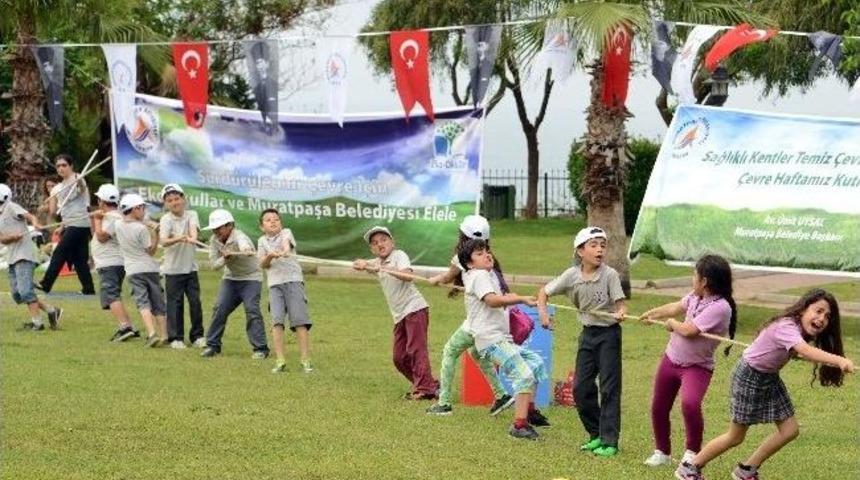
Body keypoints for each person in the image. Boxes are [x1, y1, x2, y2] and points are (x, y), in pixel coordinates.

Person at [675, 289, 855, 480]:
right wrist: (839, 360)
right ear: (803, 309)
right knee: (735, 436)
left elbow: (797, 349)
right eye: (818, 311)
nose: (822, 318)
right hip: (749, 376)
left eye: (827, 316)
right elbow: (805, 350)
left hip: (769, 377)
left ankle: (746, 470)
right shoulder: (786, 326)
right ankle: (690, 467)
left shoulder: (797, 330)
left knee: (790, 430)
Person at [537, 226, 627, 457]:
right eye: (593, 245)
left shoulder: (610, 275)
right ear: (580, 251)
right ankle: (596, 434)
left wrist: (620, 312)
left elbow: (621, 305)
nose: (599, 250)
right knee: (580, 388)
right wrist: (544, 315)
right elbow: (543, 293)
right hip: (587, 335)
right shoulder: (571, 276)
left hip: (609, 335)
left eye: (602, 246)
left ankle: (610, 441)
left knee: (609, 389)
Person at [639, 255, 737, 467]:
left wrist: (672, 324)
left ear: (705, 281)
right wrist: (652, 314)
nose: (692, 279)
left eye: (694, 275)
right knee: (659, 406)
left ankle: (692, 452)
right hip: (671, 359)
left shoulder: (721, 307)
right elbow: (675, 307)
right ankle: (662, 452)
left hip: (697, 367)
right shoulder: (695, 296)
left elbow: (689, 330)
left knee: (690, 404)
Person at [425, 214, 517, 418]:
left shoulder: (464, 257)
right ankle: (501, 395)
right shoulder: (488, 258)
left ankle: (444, 403)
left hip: (478, 324)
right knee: (476, 353)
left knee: (450, 351)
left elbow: (447, 277)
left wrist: (435, 280)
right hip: (493, 320)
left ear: (462, 235)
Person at [458, 238, 546, 440]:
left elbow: (500, 299)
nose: (487, 255)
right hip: (491, 340)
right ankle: (519, 426)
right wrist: (520, 298)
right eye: (479, 253)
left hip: (501, 339)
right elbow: (491, 300)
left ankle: (529, 411)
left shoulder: (488, 275)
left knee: (536, 363)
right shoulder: (478, 275)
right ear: (470, 263)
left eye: (487, 250)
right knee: (524, 374)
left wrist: (517, 299)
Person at [352, 226, 439, 400]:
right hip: (399, 316)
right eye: (375, 243)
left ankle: (425, 389)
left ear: (392, 242)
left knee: (416, 350)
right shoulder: (377, 263)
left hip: (415, 309)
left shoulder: (399, 256)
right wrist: (361, 264)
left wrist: (383, 269)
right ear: (372, 249)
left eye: (383, 240)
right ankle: (428, 384)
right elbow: (363, 264)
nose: (380, 244)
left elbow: (408, 275)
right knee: (399, 358)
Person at [200, 209, 269, 359]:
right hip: (230, 278)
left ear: (230, 225)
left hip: (251, 277)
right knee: (219, 308)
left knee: (252, 309)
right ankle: (212, 345)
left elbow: (244, 245)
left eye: (219, 228)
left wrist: (246, 249)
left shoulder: (239, 236)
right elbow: (214, 265)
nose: (215, 231)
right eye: (214, 228)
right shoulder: (214, 240)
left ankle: (261, 349)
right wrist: (225, 259)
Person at [257, 209, 314, 374]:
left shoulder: (286, 232)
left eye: (276, 219)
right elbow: (263, 264)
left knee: (300, 321)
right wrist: (270, 256)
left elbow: (286, 248)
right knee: (277, 321)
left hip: (294, 281)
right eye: (268, 220)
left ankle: (305, 360)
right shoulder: (261, 241)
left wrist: (282, 252)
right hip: (275, 285)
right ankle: (280, 360)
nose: (273, 222)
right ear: (262, 226)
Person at [0, 184, 62, 331]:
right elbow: (2, 239)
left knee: (25, 291)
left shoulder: (11, 207)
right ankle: (51, 310)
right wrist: (11, 237)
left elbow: (30, 216)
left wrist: (35, 223)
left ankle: (37, 323)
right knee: (17, 294)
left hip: (24, 254)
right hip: (12, 257)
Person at [114, 193, 167, 347]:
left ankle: (152, 333)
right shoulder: (141, 229)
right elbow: (151, 251)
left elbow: (121, 217)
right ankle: (164, 335)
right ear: (135, 209)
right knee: (157, 302)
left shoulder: (118, 225)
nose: (144, 211)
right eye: (142, 208)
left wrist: (144, 222)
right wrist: (156, 233)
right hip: (150, 269)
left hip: (133, 271)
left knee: (143, 303)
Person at [38, 154, 95, 295]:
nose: (60, 168)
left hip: (80, 222)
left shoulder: (79, 178)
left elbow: (81, 190)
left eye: (64, 165)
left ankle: (46, 283)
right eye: (58, 166)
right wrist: (46, 205)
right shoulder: (57, 188)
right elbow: (54, 212)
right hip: (69, 224)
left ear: (71, 166)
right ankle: (88, 288)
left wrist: (79, 182)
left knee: (59, 251)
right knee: (79, 258)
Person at [158, 183, 205, 349]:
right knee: (175, 304)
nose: (174, 202)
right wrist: (179, 238)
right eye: (170, 200)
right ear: (165, 204)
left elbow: (193, 233)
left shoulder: (192, 214)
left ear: (183, 199)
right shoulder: (166, 219)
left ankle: (197, 336)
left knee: (195, 303)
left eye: (177, 198)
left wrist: (191, 237)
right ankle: (176, 338)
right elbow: (163, 241)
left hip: (191, 268)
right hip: (172, 270)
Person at [91, 184, 139, 342]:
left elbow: (101, 237)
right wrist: (97, 219)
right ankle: (129, 326)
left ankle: (125, 327)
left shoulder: (114, 218)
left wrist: (96, 220)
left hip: (110, 263)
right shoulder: (109, 216)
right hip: (108, 263)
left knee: (111, 295)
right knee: (112, 296)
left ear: (101, 200)